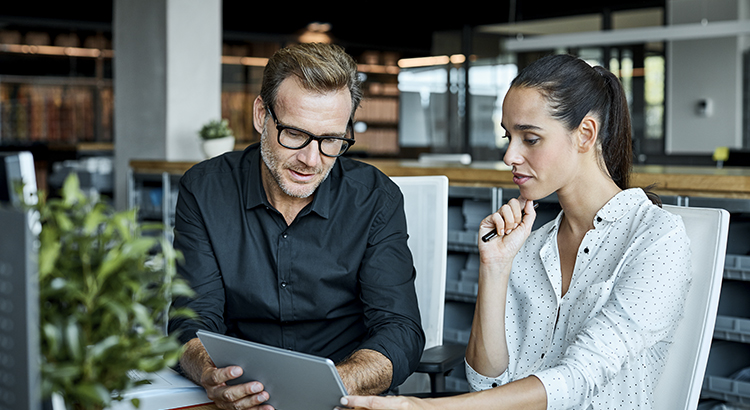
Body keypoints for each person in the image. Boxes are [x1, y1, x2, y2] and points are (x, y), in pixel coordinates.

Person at [342, 54, 691, 410]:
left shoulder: (657, 238)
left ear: (585, 134)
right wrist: (494, 268)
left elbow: (581, 376)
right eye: (509, 136)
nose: (510, 155)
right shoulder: (532, 244)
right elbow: (485, 380)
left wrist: (426, 408)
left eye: (531, 138)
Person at [167, 42, 425, 410]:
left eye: (331, 140)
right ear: (261, 115)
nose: (310, 159)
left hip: (343, 398)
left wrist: (333, 384)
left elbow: (400, 331)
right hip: (238, 397)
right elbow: (190, 320)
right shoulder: (204, 189)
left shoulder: (375, 198)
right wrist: (212, 374)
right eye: (294, 134)